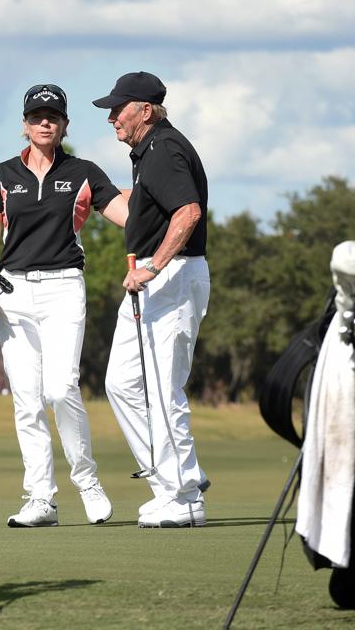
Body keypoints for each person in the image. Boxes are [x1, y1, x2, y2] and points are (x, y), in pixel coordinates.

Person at [0, 83, 129, 527]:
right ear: (24, 126)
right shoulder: (3, 175)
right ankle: (40, 498)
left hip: (64, 287)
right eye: (37, 116)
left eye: (54, 116)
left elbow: (124, 214)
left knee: (60, 389)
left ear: (64, 125)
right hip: (13, 294)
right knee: (26, 398)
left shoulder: (83, 172)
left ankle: (88, 482)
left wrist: (163, 193)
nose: (45, 122)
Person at [94, 71, 211, 528]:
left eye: (117, 109)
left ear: (145, 110)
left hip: (172, 277)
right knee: (121, 383)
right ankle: (178, 480)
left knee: (164, 390)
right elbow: (146, 210)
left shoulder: (163, 149)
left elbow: (188, 212)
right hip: (152, 280)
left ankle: (183, 497)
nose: (110, 118)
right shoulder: (148, 153)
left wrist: (154, 265)